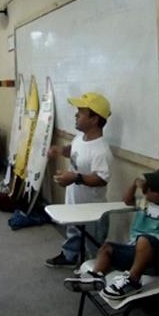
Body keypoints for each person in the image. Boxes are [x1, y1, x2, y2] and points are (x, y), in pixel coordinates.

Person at [63, 164, 159, 299]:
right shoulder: (145, 202)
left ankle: (133, 281)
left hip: (157, 260)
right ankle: (94, 277)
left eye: (154, 189)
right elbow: (127, 200)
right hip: (136, 253)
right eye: (149, 185)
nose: (147, 190)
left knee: (144, 240)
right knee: (106, 248)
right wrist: (134, 185)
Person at [45, 92, 113, 268]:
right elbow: (74, 150)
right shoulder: (80, 138)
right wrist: (60, 150)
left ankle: (90, 271)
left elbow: (101, 179)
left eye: (81, 112)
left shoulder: (101, 150)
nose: (76, 115)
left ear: (94, 119)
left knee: (92, 246)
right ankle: (69, 257)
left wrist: (75, 177)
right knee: (73, 231)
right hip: (75, 201)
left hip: (92, 210)